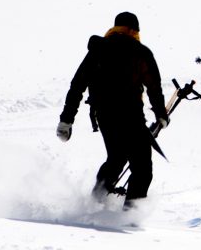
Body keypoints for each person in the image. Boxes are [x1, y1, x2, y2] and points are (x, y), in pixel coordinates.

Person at [57, 11, 166, 207]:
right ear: (134, 30)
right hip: (131, 116)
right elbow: (154, 87)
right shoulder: (141, 52)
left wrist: (67, 119)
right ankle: (130, 215)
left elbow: (77, 85)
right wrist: (161, 115)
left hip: (105, 116)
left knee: (116, 158)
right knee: (141, 167)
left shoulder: (98, 50)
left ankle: (94, 203)